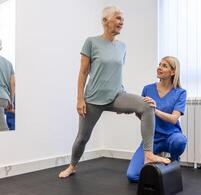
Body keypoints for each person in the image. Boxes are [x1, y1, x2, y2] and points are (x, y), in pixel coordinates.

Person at [58, 6, 170, 178]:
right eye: (118, 18)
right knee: (82, 138)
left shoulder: (122, 46)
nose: (121, 22)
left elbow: (115, 73)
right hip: (93, 99)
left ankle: (148, 154)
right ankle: (72, 166)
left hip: (117, 95)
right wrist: (80, 99)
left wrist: (126, 103)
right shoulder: (91, 42)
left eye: (122, 19)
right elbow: (82, 73)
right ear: (105, 21)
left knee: (147, 106)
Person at [127, 56, 187, 182]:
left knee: (180, 141)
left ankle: (173, 161)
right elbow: (142, 116)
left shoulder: (180, 92)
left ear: (173, 72)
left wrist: (154, 110)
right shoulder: (147, 89)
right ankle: (158, 163)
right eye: (159, 64)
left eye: (164, 66)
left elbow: (174, 119)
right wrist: (135, 109)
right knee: (132, 176)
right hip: (152, 139)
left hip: (171, 136)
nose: (159, 67)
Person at [0, 39, 15, 131]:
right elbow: (12, 84)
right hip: (5, 99)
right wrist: (11, 102)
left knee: (3, 128)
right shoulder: (9, 64)